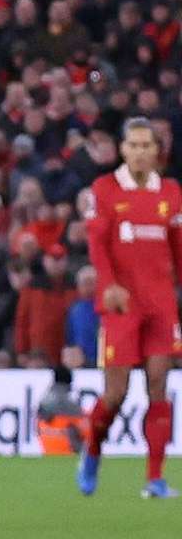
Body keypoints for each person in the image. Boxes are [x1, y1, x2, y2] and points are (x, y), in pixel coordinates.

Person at [76, 116, 179, 499]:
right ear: (122, 150)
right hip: (121, 306)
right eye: (132, 145)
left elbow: (179, 250)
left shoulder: (170, 193)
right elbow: (97, 247)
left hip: (161, 306)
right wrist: (110, 286)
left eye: (146, 146)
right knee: (115, 395)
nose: (139, 152)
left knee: (158, 385)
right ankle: (92, 451)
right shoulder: (103, 190)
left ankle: (155, 479)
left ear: (156, 152)